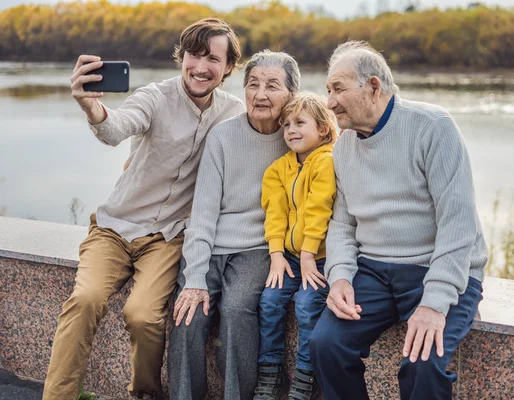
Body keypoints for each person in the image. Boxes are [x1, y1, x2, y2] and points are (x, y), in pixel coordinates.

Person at [42, 18, 245, 400]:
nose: (202, 67)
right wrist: (91, 108)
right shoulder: (155, 96)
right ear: (181, 57)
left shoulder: (234, 112)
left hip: (167, 237)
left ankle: (144, 394)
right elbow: (116, 127)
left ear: (229, 67)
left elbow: (271, 130)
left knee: (143, 315)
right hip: (114, 228)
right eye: (194, 55)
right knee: (84, 301)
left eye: (213, 59)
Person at [309, 41, 488, 400]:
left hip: (438, 267)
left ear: (374, 87)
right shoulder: (343, 147)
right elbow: (343, 224)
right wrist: (341, 276)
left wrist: (435, 303)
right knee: (325, 344)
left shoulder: (433, 127)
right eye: (328, 90)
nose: (329, 102)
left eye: (338, 89)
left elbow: (458, 224)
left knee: (423, 364)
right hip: (374, 271)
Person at [167, 50, 301, 400]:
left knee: (238, 308)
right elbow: (204, 212)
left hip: (260, 247)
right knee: (188, 314)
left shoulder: (298, 139)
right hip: (212, 245)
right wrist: (194, 276)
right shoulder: (223, 136)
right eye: (253, 84)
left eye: (272, 86)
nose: (260, 94)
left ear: (292, 94)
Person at [253, 92, 337, 400]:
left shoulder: (326, 162)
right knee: (270, 301)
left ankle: (306, 374)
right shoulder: (278, 169)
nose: (291, 130)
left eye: (300, 122)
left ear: (324, 129)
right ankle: (270, 371)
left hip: (321, 258)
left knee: (306, 304)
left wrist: (308, 256)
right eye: (286, 124)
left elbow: (318, 209)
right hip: (289, 256)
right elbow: (274, 214)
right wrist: (276, 254)